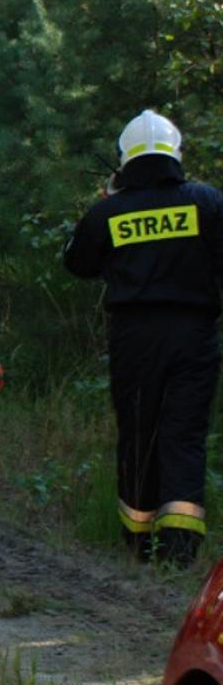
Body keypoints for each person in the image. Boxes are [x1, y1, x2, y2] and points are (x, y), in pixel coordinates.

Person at [63, 110, 223, 567]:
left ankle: (138, 539)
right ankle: (180, 547)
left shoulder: (108, 211)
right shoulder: (207, 202)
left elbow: (77, 263)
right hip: (195, 334)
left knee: (139, 431)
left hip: (134, 337)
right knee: (184, 434)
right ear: (175, 154)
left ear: (124, 160)